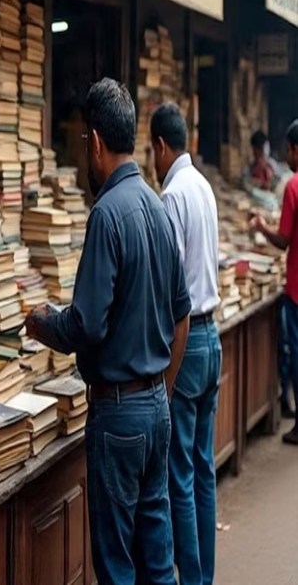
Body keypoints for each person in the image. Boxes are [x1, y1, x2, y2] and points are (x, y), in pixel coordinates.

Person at [25, 78, 191, 585]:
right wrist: (162, 389)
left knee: (117, 564)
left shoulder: (106, 214)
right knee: (156, 556)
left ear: (95, 140)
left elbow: (87, 324)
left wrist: (41, 322)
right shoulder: (159, 208)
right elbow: (182, 311)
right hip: (155, 405)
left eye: (82, 143)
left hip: (118, 414)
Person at [150, 103, 221, 585]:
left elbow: (171, 289)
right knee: (203, 469)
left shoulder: (173, 194)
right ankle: (205, 576)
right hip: (212, 338)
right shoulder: (204, 187)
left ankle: (192, 580)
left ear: (159, 146)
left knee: (181, 478)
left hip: (188, 342)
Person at [251, 119, 298, 445]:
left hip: (296, 288)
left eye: (289, 150)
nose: (287, 155)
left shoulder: (293, 186)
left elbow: (283, 239)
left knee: (295, 354)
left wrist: (261, 226)